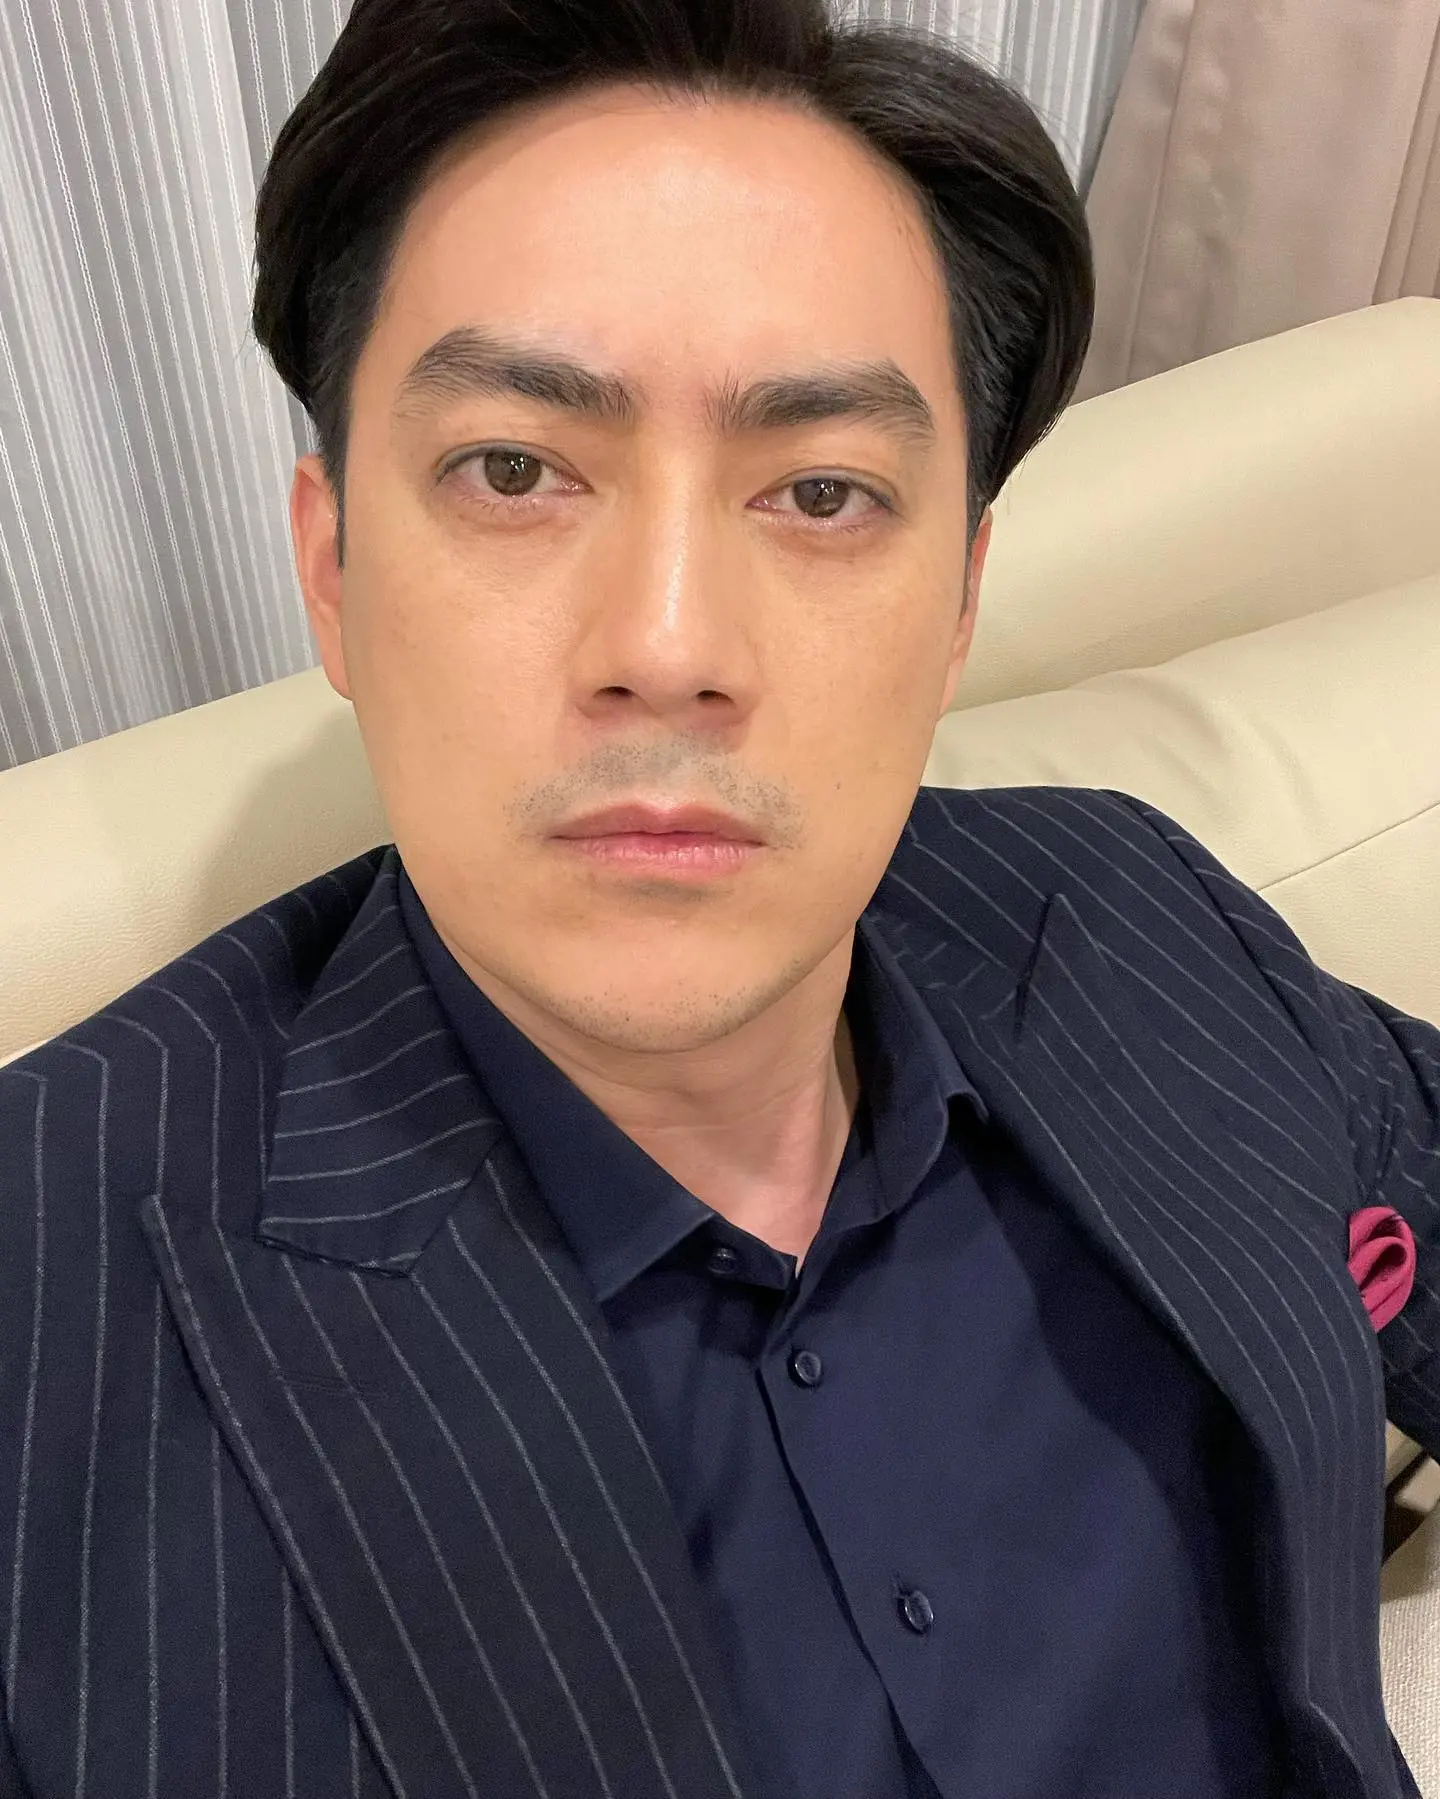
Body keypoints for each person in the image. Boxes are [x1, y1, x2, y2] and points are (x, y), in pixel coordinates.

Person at [0, 0, 1432, 1794]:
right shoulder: (43, 1307)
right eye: (514, 470)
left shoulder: (1129, 910)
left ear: (961, 597)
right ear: (335, 568)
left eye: (822, 491)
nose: (670, 644)